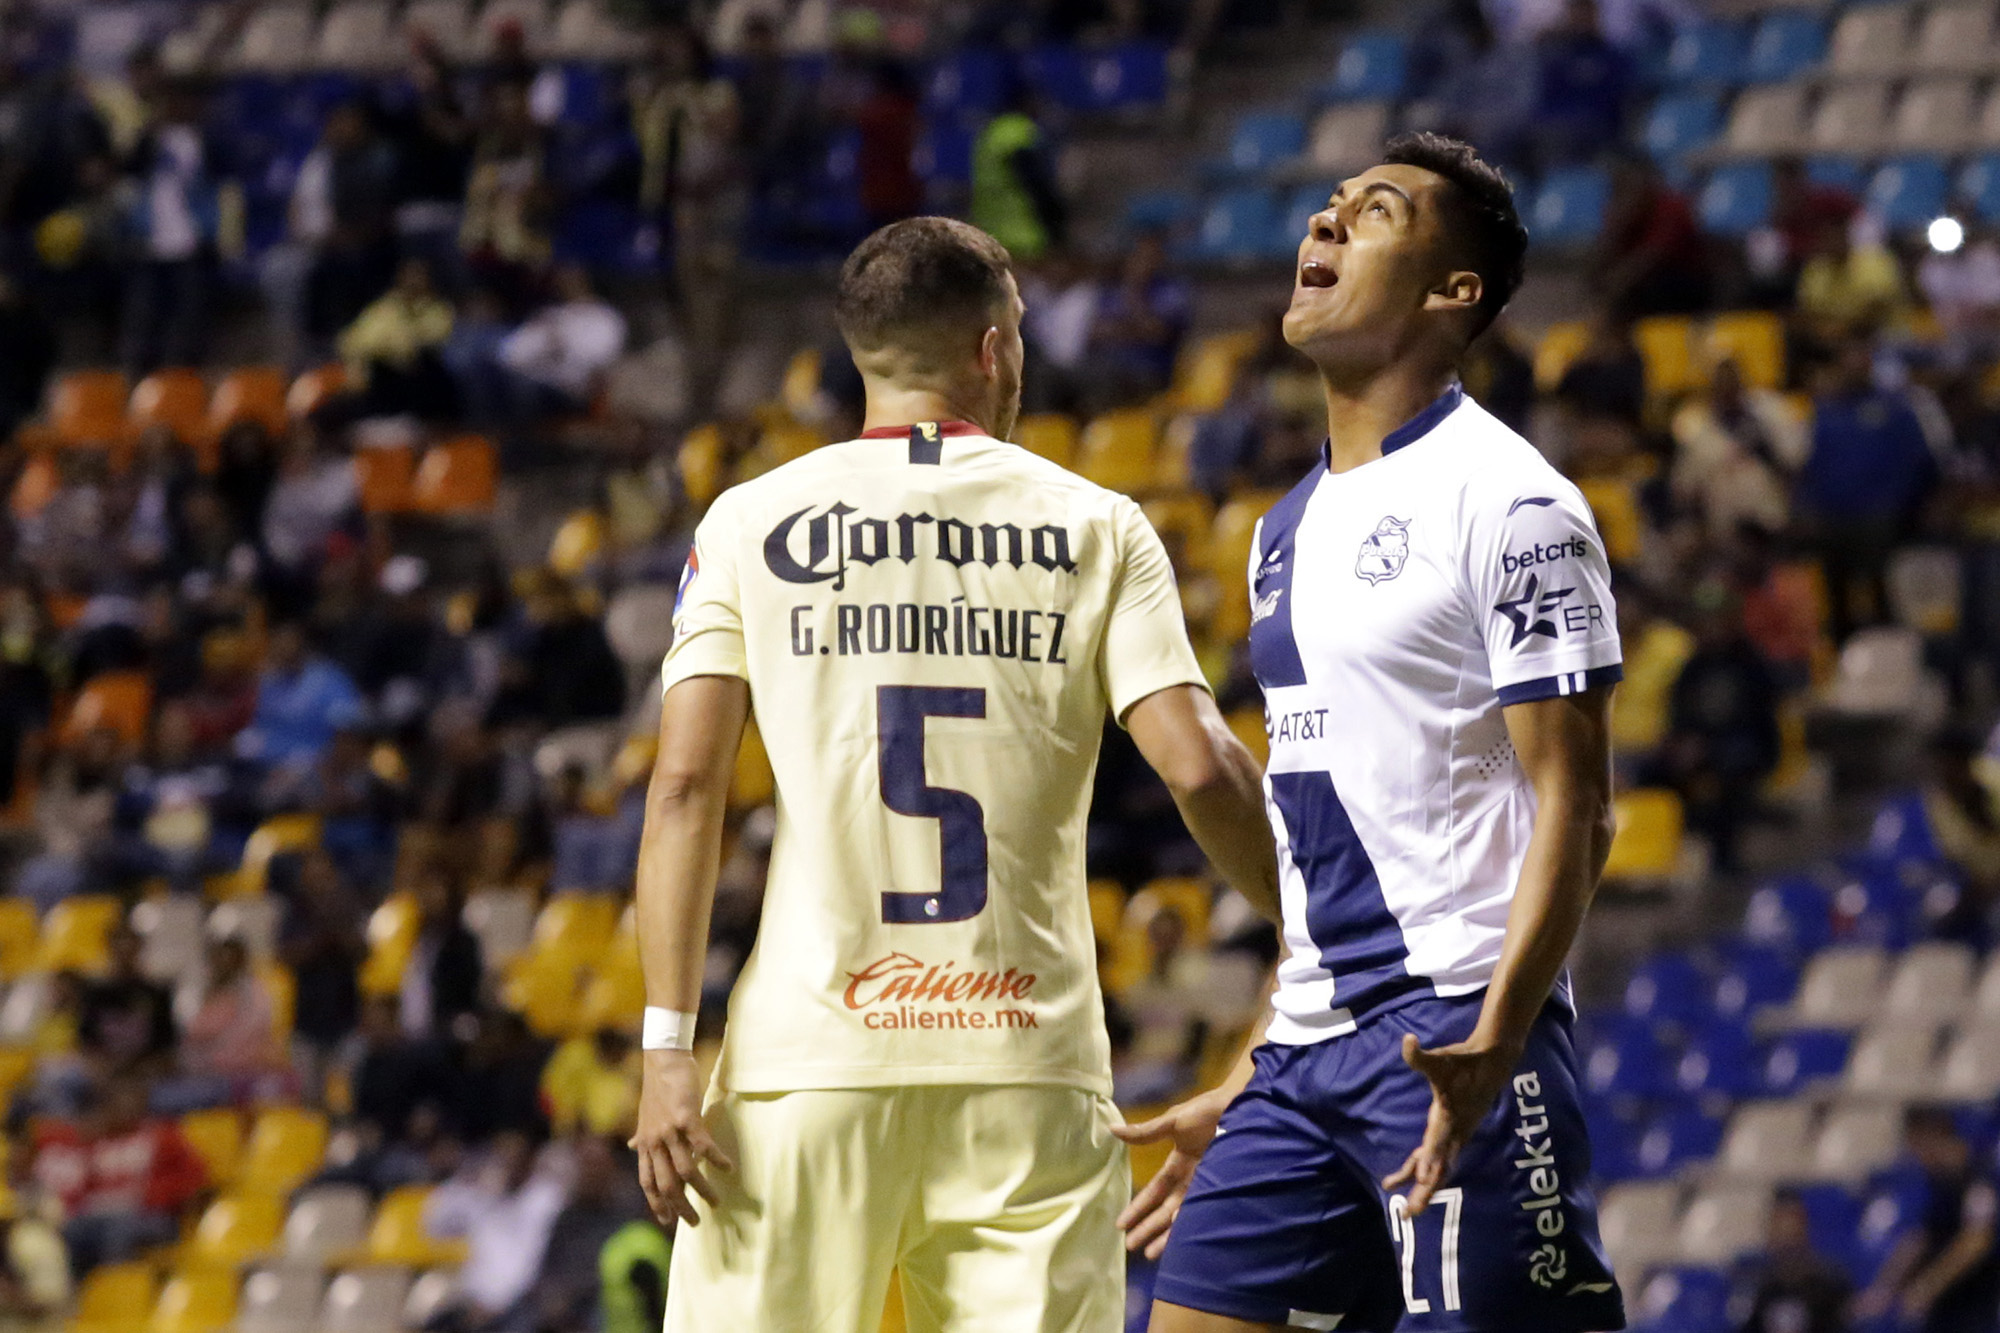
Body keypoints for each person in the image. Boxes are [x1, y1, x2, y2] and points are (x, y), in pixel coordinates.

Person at [631, 215, 1280, 1332]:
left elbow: (684, 787)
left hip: (805, 1067)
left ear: (859, 353)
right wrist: (1309, 920)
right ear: (992, 350)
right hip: (1024, 1063)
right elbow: (1199, 763)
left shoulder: (749, 521)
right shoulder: (1097, 525)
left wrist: (663, 1048)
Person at [1120, 132, 1627, 1333]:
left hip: (1453, 1029)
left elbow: (1578, 802)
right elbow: (1321, 855)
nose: (1326, 225)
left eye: (1376, 212)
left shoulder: (1514, 505)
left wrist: (1494, 1040)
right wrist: (1247, 1075)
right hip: (1299, 1056)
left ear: (1454, 294)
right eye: (1327, 207)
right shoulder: (1280, 528)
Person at [28, 1075, 207, 1275]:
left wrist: (149, 1197)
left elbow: (194, 1179)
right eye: (115, 1102)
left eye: (129, 1100)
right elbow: (76, 1189)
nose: (123, 1107)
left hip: (151, 1216)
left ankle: (117, 1292)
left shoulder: (162, 1137)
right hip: (97, 1216)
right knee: (70, 1231)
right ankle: (79, 1296)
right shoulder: (94, 1142)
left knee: (117, 1230)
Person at [1856, 1109, 1999, 1333]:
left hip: (1976, 1305)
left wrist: (1927, 1286)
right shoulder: (1937, 1182)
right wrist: (1884, 1289)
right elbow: (1921, 1237)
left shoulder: (1977, 1176)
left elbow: (1976, 1240)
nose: (1916, 1155)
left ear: (1934, 1136)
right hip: (1944, 1310)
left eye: (1917, 1145)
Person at [422, 1129, 568, 1332]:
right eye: (503, 1159)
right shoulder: (482, 1194)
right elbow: (434, 1225)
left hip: (525, 1302)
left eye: (515, 1159)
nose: (509, 1165)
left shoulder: (546, 1199)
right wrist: (465, 1180)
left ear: (529, 1161)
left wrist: (497, 1305)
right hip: (474, 1301)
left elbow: (533, 1263)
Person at [1735, 1190, 1851, 1333]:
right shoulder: (1757, 1287)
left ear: (1805, 1229)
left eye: (1792, 1225)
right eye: (1778, 1226)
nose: (1785, 1235)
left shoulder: (1830, 1285)